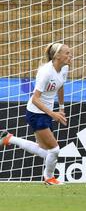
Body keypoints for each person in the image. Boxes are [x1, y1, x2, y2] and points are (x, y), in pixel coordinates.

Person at [0, 43, 72, 185]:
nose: (70, 56)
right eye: (67, 53)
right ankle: (49, 178)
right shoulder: (46, 72)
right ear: (57, 56)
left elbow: (61, 86)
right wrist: (53, 114)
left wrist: (62, 108)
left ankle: (9, 139)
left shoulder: (64, 68)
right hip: (36, 113)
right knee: (55, 150)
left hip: (46, 113)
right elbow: (35, 98)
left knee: (46, 152)